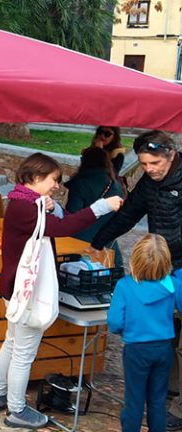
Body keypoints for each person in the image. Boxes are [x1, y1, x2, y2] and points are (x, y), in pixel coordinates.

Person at [0, 153, 122, 429]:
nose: (57, 185)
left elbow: (56, 218)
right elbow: (65, 227)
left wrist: (51, 206)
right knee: (23, 352)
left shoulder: (21, 200)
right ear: (35, 178)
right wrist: (102, 207)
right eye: (53, 180)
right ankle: (16, 411)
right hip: (26, 292)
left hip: (12, 287)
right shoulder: (25, 209)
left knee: (12, 343)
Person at [87, 130, 182, 430]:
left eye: (154, 163)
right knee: (169, 327)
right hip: (162, 265)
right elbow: (128, 214)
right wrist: (99, 241)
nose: (149, 169)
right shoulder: (149, 184)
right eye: (143, 164)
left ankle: (178, 406)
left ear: (171, 155)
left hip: (176, 264)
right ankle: (168, 391)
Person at [107, 234, 182, 432]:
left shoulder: (125, 285)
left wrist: (124, 330)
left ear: (135, 259)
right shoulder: (172, 285)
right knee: (157, 401)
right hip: (164, 349)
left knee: (134, 401)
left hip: (136, 350)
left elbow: (114, 322)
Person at [64, 147, 125, 267]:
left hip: (80, 244)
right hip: (107, 244)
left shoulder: (80, 184)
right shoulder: (116, 185)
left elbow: (73, 215)